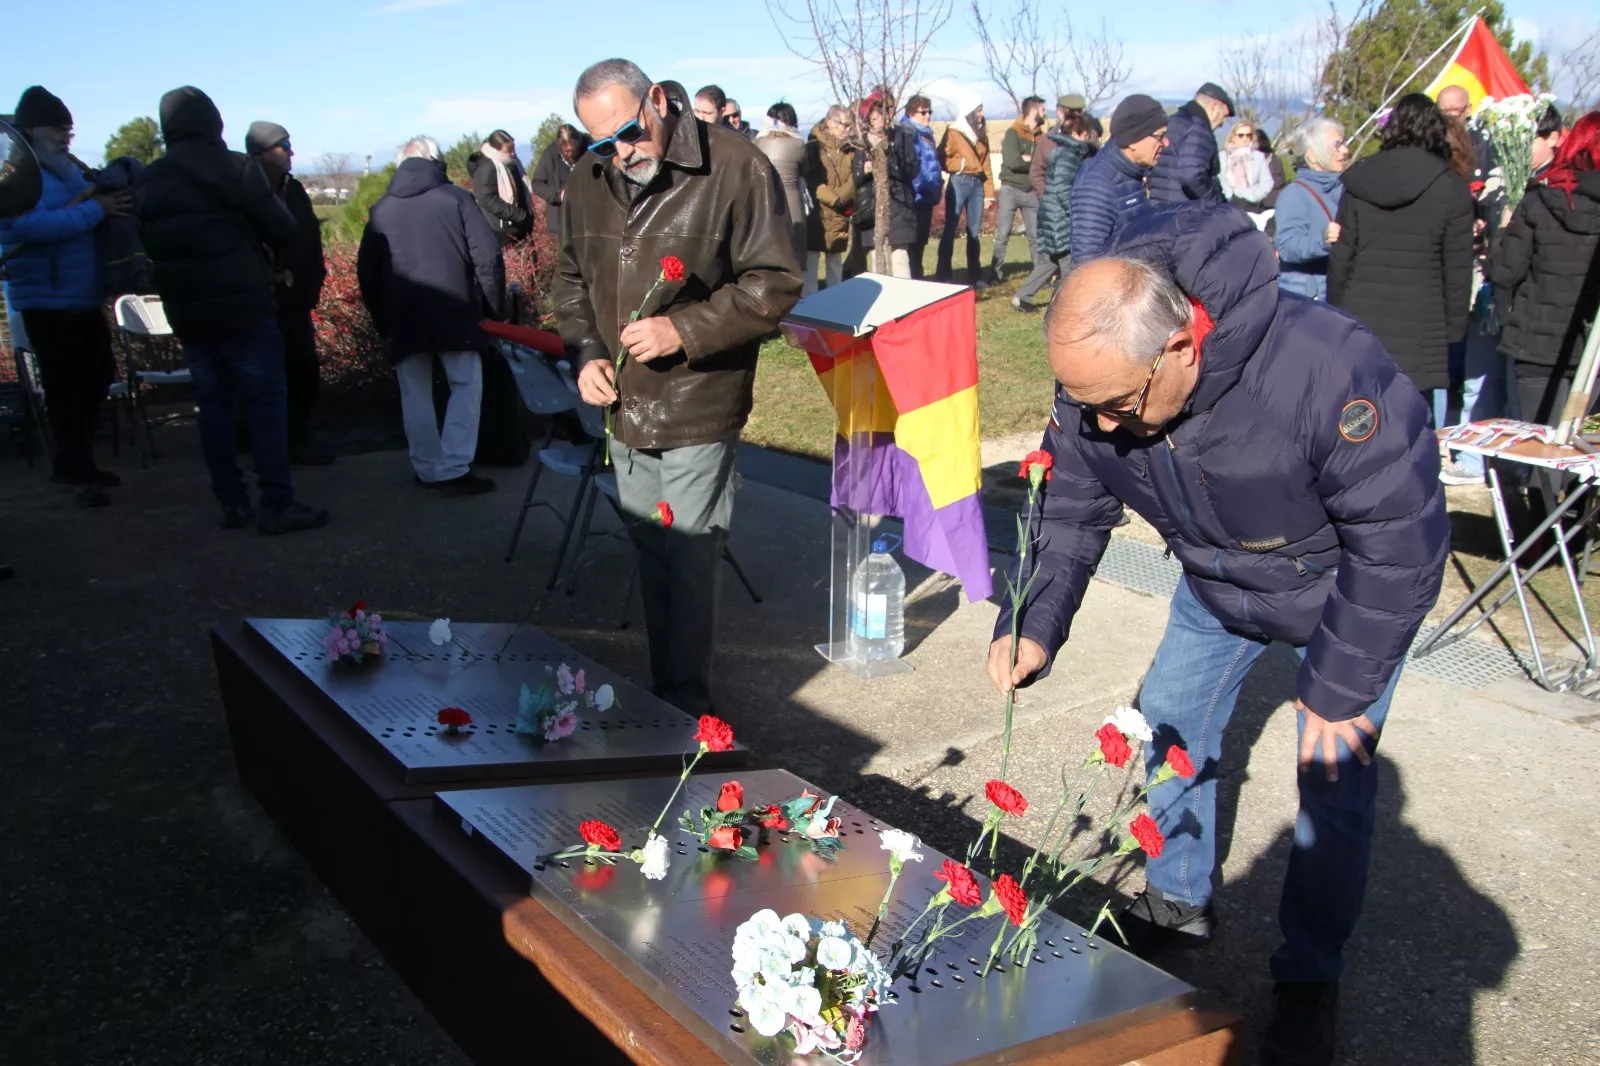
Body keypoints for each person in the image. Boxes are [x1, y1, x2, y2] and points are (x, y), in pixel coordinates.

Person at [987, 202, 1447, 1066]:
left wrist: (1340, 690)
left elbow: (1400, 543)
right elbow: (1071, 507)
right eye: (1086, 404)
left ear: (1181, 347)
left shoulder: (1326, 367)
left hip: (1337, 594)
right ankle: (1175, 899)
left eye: (1117, 405)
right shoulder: (1103, 383)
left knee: (1332, 775)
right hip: (1216, 584)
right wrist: (1033, 624)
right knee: (1169, 721)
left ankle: (1309, 976)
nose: (1103, 424)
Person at [558, 58, 801, 713]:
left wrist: (683, 330)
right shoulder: (589, 177)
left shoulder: (736, 165)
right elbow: (571, 281)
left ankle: (686, 705)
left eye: (629, 132)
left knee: (691, 554)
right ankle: (665, 690)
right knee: (650, 547)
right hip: (623, 403)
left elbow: (775, 282)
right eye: (603, 143)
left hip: (700, 397)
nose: (622, 152)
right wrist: (586, 353)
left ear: (659, 100)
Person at [135, 86, 329, 534]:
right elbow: (283, 230)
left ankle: (231, 502)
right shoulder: (236, 169)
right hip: (244, 305)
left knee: (214, 406)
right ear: (213, 122)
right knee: (265, 403)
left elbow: (144, 241)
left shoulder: (149, 179)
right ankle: (277, 502)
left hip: (188, 311)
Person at [358, 136, 505, 496]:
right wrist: (494, 311)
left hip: (402, 316)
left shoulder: (382, 209)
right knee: (465, 386)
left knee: (415, 393)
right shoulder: (456, 199)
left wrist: (382, 322)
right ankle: (454, 467)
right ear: (437, 161)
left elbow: (368, 274)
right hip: (455, 311)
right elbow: (487, 257)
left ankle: (426, 467)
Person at [0, 86, 124, 507]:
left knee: (96, 375)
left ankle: (79, 460)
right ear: (32, 131)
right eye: (57, 129)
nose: (65, 137)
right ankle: (74, 465)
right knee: (66, 388)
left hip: (77, 295)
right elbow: (30, 228)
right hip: (47, 299)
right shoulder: (15, 176)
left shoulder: (63, 171)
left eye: (68, 130)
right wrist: (98, 210)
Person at [1330, 93, 1475, 430]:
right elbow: (1457, 269)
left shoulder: (1361, 178)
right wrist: (1455, 331)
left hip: (1361, 313)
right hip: (1421, 323)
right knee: (1411, 425)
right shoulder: (1451, 187)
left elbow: (1343, 254)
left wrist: (1336, 313)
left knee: (1361, 422)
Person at [1484, 112, 1600, 519]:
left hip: (1537, 343)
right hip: (1590, 349)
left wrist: (1503, 230)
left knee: (1544, 447)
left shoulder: (1540, 199)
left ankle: (1543, 531)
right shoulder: (1542, 197)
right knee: (1585, 447)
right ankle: (1574, 526)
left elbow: (1503, 271)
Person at [245, 120, 332, 465]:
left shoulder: (293, 190)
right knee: (265, 378)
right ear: (261, 152)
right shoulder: (244, 189)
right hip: (260, 303)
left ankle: (298, 439)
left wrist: (313, 281)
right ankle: (268, 446)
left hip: (296, 303)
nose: (291, 153)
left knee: (303, 372)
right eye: (284, 146)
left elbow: (310, 238)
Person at [1069, 93, 1167, 263]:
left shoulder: (1134, 173)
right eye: (1160, 136)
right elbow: (1086, 265)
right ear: (1133, 140)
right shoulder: (1095, 188)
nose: (1166, 143)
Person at [1013, 111, 1094, 313]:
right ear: (1076, 132)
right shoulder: (1068, 155)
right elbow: (1063, 189)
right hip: (1061, 217)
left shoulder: (1064, 151)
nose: (1088, 136)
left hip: (1053, 213)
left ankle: (1022, 297)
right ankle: (1067, 307)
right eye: (1085, 132)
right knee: (1068, 263)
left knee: (1051, 261)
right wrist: (1076, 214)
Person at [1274, 118, 1348, 300]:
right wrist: (1324, 241)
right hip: (1307, 299)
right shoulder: (1295, 194)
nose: (1345, 150)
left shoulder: (1346, 189)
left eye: (1344, 143)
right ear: (1313, 156)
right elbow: (1287, 247)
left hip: (1337, 291)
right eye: (1337, 145)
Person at [850, 93, 920, 278]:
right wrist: (865, 170)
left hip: (899, 204)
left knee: (900, 258)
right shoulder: (862, 143)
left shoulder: (901, 137)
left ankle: (903, 295)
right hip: (872, 208)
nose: (876, 122)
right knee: (877, 259)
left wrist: (884, 165)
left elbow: (911, 169)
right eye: (872, 118)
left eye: (879, 116)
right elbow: (857, 178)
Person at [935, 91, 992, 286]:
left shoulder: (982, 134)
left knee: (974, 232)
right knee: (950, 229)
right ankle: (943, 275)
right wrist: (959, 165)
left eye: (981, 110)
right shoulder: (953, 132)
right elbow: (941, 157)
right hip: (959, 182)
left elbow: (986, 165)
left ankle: (975, 276)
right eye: (978, 110)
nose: (981, 114)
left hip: (977, 185)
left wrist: (989, 193)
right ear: (969, 111)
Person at [1148, 81, 1233, 204]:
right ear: (1214, 107)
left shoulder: (1170, 122)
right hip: (1184, 209)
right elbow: (1193, 176)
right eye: (1224, 116)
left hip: (1158, 205)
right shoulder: (1199, 129)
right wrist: (1216, 203)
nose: (1222, 124)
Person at [991, 95, 1046, 282]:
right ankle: (995, 273)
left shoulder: (1040, 136)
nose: (1045, 113)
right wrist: (1032, 162)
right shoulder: (1013, 132)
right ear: (1033, 111)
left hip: (1031, 191)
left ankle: (1039, 276)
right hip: (1011, 189)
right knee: (1003, 234)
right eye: (1042, 109)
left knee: (1035, 236)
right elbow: (1012, 161)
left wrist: (1029, 159)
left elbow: (1044, 161)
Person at [802, 105, 855, 295]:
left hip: (840, 212)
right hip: (817, 213)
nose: (848, 129)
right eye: (845, 125)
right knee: (812, 259)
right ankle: (810, 303)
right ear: (831, 123)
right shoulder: (813, 147)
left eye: (850, 125)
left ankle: (836, 300)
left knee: (835, 260)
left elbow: (854, 178)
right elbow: (811, 180)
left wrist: (841, 199)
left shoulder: (851, 148)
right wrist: (833, 199)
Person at [754, 102, 808, 270]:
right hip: (792, 201)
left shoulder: (758, 142)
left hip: (765, 199)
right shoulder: (798, 144)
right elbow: (806, 169)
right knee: (795, 249)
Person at [900, 95, 943, 279]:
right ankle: (915, 278)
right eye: (923, 112)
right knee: (913, 244)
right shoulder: (908, 132)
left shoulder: (927, 134)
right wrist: (923, 186)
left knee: (921, 243)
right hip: (915, 196)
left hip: (927, 196)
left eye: (929, 112)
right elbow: (913, 166)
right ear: (911, 113)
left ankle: (918, 275)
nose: (927, 116)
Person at [467, 130, 534, 246]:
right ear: (497, 150)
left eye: (513, 149)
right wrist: (518, 214)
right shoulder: (487, 167)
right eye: (509, 150)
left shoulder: (511, 163)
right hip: (504, 230)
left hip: (519, 226)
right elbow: (486, 198)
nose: (513, 153)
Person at [530, 124, 588, 239]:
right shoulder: (550, 154)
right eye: (566, 151)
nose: (570, 154)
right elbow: (537, 184)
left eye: (573, 151)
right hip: (560, 222)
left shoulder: (590, 147)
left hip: (588, 220)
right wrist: (558, 195)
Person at [1031, 93, 1089, 198]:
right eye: (1069, 111)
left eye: (1078, 111)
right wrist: (1046, 196)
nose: (1074, 116)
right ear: (1059, 111)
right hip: (1053, 203)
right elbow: (1037, 172)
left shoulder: (1089, 138)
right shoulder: (1048, 139)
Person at [1220, 120, 1275, 222]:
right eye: (1241, 135)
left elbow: (1267, 182)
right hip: (1227, 202)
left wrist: (1255, 196)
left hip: (1250, 204)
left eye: (1248, 135)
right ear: (1233, 136)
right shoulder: (1222, 156)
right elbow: (1219, 179)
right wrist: (1226, 195)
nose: (1245, 138)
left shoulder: (1258, 156)